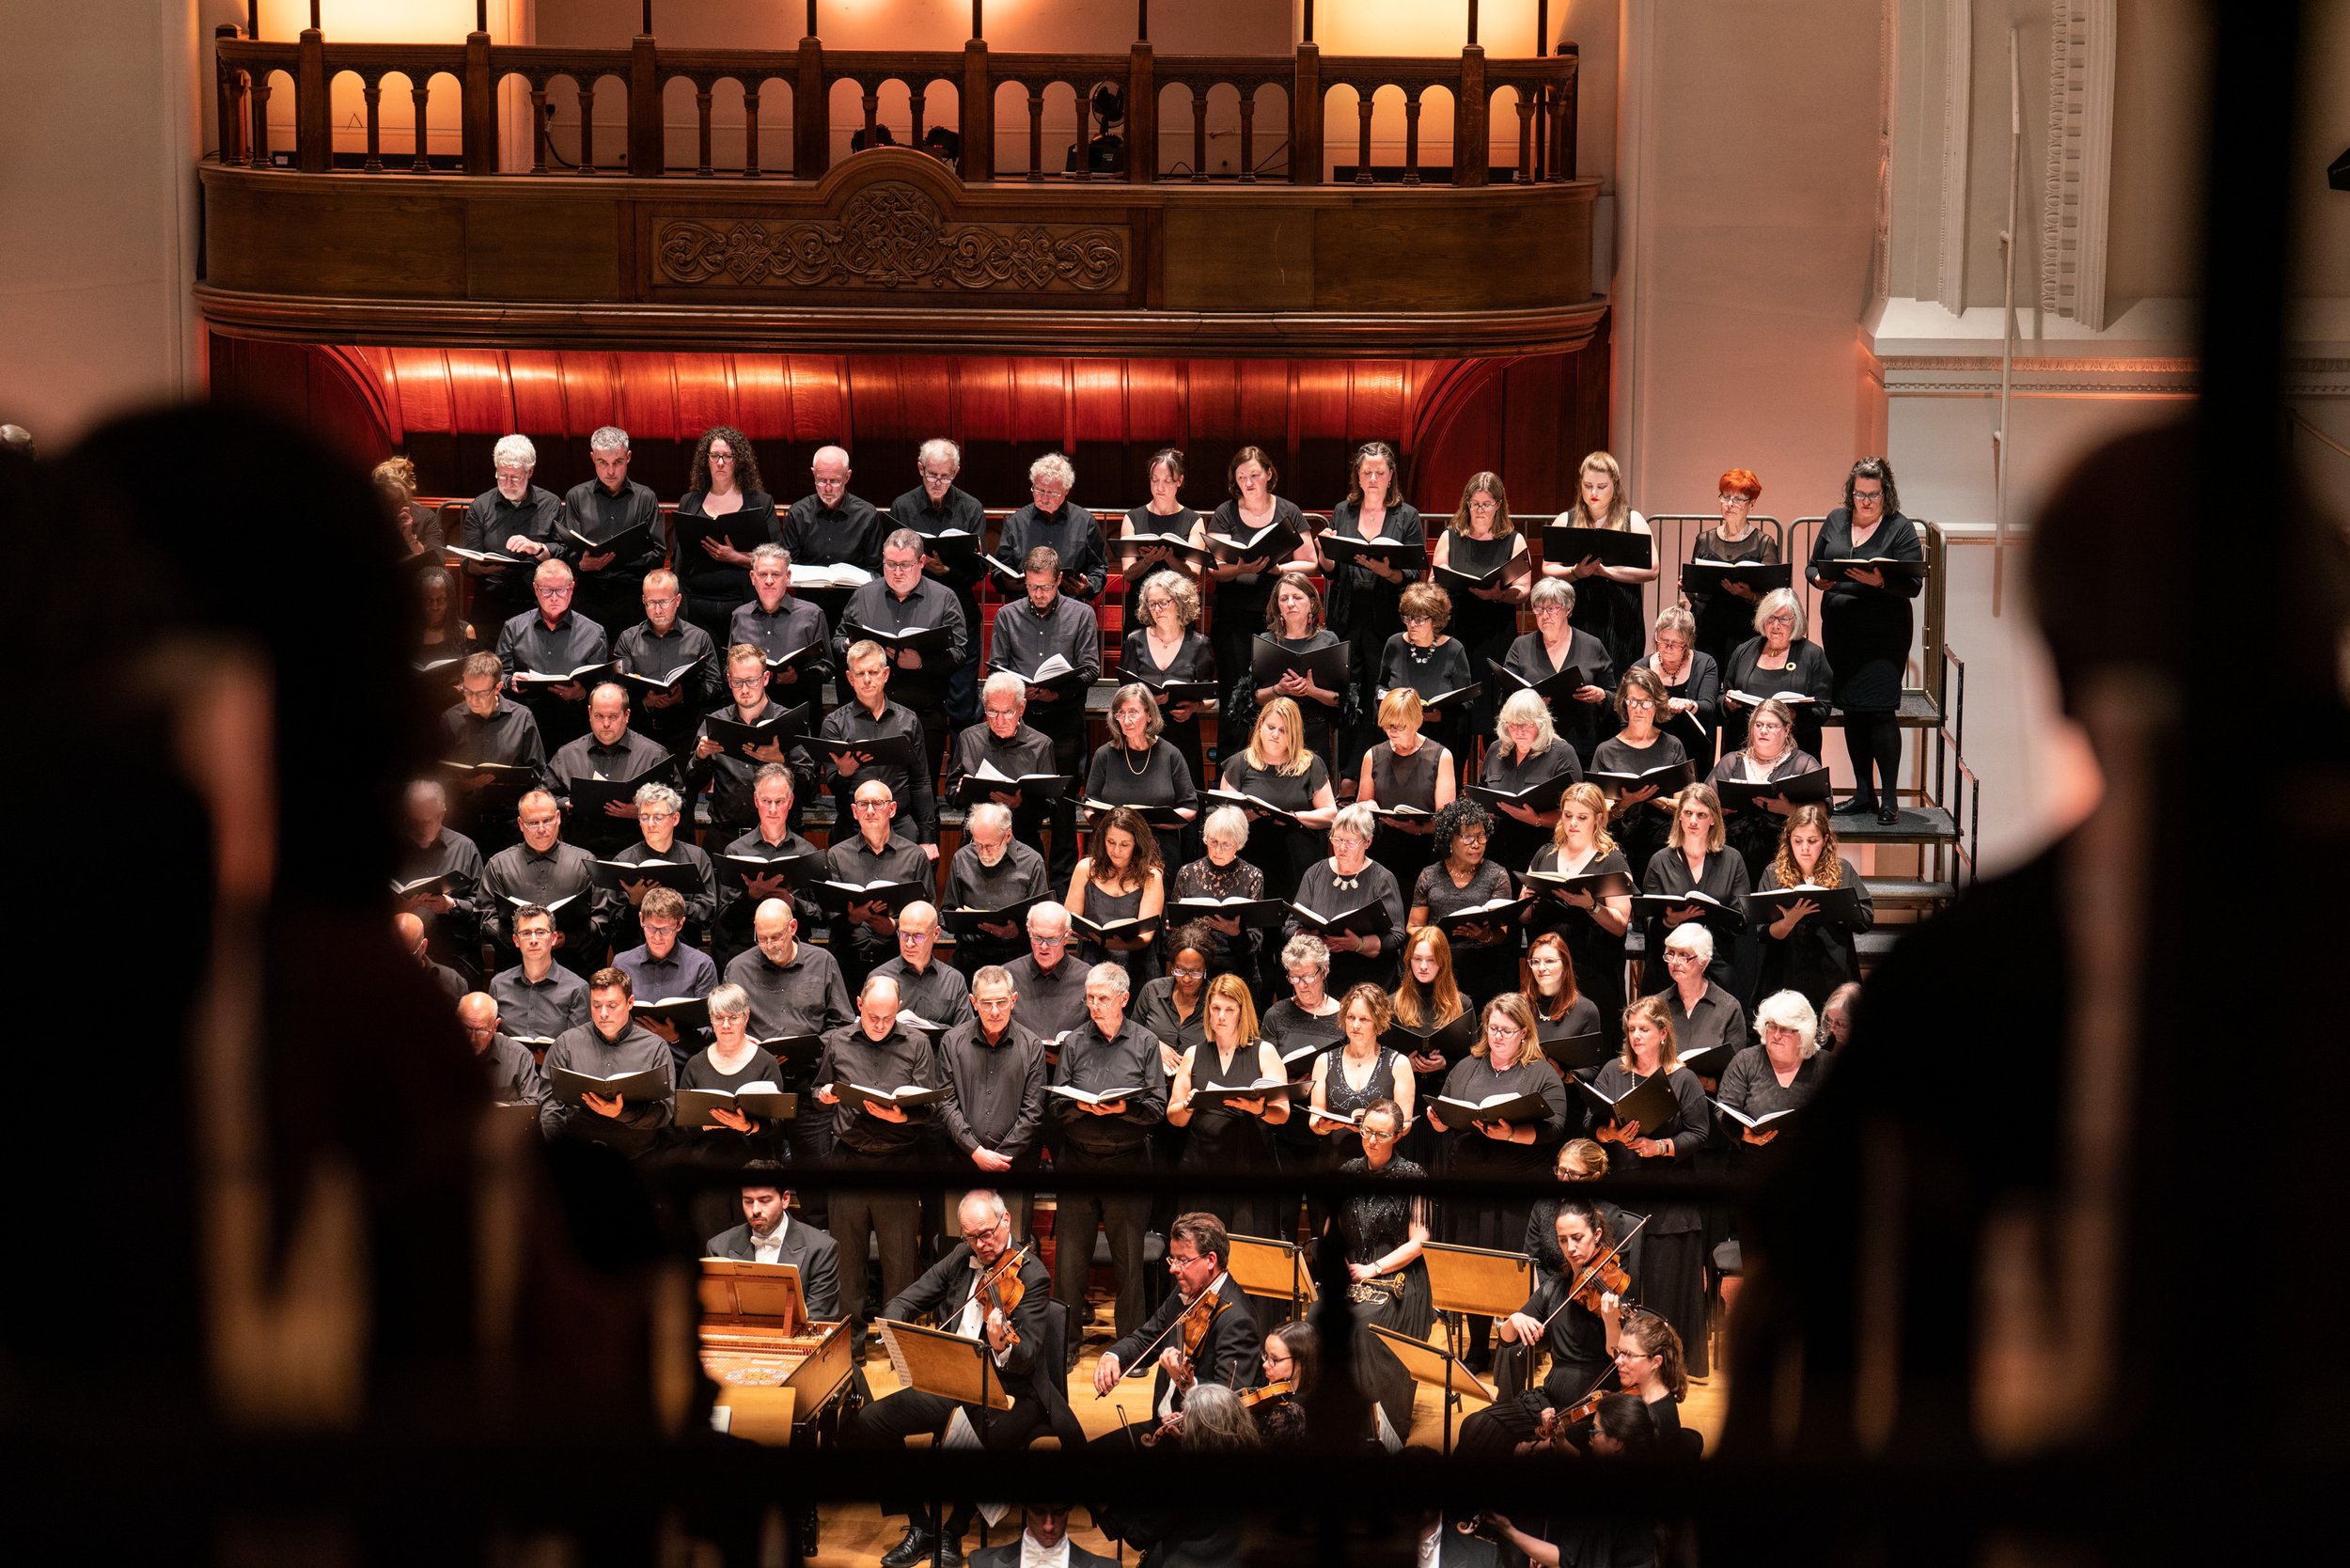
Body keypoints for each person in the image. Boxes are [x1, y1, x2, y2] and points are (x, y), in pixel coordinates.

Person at [852, 1195, 1075, 1568]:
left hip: (1012, 1389)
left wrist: (1002, 1344)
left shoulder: (1033, 1274)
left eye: (986, 1234)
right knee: (870, 1422)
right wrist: (896, 1332)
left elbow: (1029, 1355)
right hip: (953, 1379)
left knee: (978, 1438)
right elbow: (905, 1300)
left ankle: (954, 1529)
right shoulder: (960, 1257)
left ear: (1006, 1220)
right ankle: (921, 1527)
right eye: (971, 1237)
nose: (981, 1245)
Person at [1429, 993, 1569, 1371]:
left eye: (1507, 1031)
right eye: (1492, 1029)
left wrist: (1510, 1134)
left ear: (1525, 1032)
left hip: (1518, 1191)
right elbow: (1446, 1108)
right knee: (1475, 1269)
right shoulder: (1468, 1067)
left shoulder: (1539, 1072)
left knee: (1512, 1270)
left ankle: (1519, 1345)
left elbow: (1556, 1126)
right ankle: (1477, 1346)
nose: (1498, 1037)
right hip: (1472, 1187)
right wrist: (1440, 1121)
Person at [812, 975, 940, 1346]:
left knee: (900, 1260)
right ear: (858, 1005)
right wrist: (823, 1095)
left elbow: (929, 1105)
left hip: (898, 1161)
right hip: (849, 1159)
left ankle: (900, 1341)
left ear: (898, 1009)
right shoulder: (838, 1040)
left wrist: (902, 1116)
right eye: (872, 1017)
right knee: (848, 1261)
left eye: (887, 1018)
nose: (880, 1025)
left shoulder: (917, 1043)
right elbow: (817, 1089)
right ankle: (850, 1345)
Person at [1590, 995, 1714, 1375]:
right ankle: (1620, 1362)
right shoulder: (1614, 1070)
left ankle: (1665, 1364)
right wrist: (1608, 1133)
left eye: (1644, 1030)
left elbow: (1700, 1133)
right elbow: (1590, 1124)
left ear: (1663, 1033)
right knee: (1623, 1284)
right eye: (1631, 1030)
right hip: (1622, 1193)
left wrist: (1659, 1145)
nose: (1636, 1036)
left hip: (1669, 1195)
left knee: (1664, 1283)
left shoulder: (1683, 1077)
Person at [1051, 964, 1168, 1343]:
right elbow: (1056, 1105)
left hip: (1128, 1161)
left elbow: (1156, 1108)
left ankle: (1130, 1344)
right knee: (1069, 1261)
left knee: (1130, 1261)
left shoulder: (1146, 1043)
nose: (1094, 1005)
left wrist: (1122, 1110)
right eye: (1089, 998)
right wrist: (1082, 1108)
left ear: (1123, 999)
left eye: (1102, 998)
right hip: (1078, 1160)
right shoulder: (1073, 1042)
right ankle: (1066, 1341)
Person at [1456, 1199, 1626, 1456]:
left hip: (1593, 1405)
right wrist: (1514, 1320)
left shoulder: (1616, 1289)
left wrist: (1611, 1320)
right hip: (1550, 1396)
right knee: (1475, 1425)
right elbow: (1506, 1339)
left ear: (1597, 1235)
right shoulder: (1555, 1287)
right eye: (1562, 1240)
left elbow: (1619, 1356)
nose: (1570, 1248)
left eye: (1578, 1238)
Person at [1810, 456, 1927, 825]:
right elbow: (1814, 563)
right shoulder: (1835, 520)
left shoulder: (1900, 529)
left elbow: (1913, 584)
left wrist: (1879, 582)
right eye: (1860, 493)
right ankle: (1863, 793)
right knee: (1853, 714)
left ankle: (1889, 798)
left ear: (1885, 494)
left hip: (1882, 638)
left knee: (1878, 712)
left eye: (1873, 495)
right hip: (1841, 635)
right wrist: (1817, 580)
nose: (1866, 501)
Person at [722, 899, 854, 1184]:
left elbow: (842, 1024)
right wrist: (747, 1046)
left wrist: (813, 1048)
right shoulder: (738, 968)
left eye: (776, 937)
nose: (768, 945)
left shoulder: (823, 962)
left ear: (793, 927)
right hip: (759, 1092)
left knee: (815, 1188)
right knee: (760, 1183)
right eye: (762, 938)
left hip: (809, 1088)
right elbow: (726, 1023)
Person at [1089, 1212, 1261, 1427]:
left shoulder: (1238, 1321)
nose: (1173, 1269)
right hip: (1161, 1425)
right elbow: (1147, 1337)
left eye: (1183, 1260)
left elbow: (1229, 1406)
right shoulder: (1187, 1291)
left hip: (1196, 1435)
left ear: (1210, 1260)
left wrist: (1188, 1384)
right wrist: (1113, 1356)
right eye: (1173, 1259)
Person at [991, 547, 1103, 879]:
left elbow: (1091, 669)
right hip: (1020, 726)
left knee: (1065, 811)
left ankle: (1064, 884)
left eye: (1046, 587)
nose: (1038, 594)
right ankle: (1027, 877)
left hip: (1064, 720)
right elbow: (997, 666)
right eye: (1032, 587)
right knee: (1022, 807)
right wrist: (1018, 690)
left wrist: (1056, 691)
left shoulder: (1081, 615)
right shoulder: (1007, 616)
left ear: (1058, 581)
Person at [1320, 440, 1426, 782]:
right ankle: (1347, 774)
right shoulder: (1343, 510)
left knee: (1378, 694)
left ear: (1391, 475)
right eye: (1367, 472)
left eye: (1380, 472)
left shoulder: (1406, 515)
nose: (1373, 478)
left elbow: (1414, 571)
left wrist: (1388, 573)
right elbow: (1332, 569)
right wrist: (1326, 550)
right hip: (1347, 612)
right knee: (1348, 694)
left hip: (1386, 616)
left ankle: (1373, 773)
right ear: (1358, 475)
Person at [834, 527, 969, 779]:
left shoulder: (944, 598)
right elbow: (838, 639)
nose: (897, 572)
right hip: (870, 716)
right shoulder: (864, 595)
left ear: (921, 562)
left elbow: (959, 652)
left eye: (905, 565)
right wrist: (848, 647)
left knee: (922, 791)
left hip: (923, 714)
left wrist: (921, 663)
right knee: (869, 789)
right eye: (890, 564)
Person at [1167, 974, 1289, 1237]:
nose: (1221, 1016)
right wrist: (1188, 1106)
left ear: (1242, 1012)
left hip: (1251, 1162)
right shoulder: (1193, 1054)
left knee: (1252, 1246)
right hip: (1202, 1164)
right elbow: (1174, 1117)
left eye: (1229, 1010)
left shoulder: (1264, 1051)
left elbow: (1283, 1113)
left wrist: (1259, 1109)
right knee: (1201, 1244)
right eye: (1215, 1008)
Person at [934, 967, 1050, 1241]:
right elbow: (945, 1102)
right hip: (962, 1163)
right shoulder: (952, 1042)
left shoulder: (1032, 1045)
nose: (995, 1010)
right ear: (974, 1003)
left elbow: (1033, 1112)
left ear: (1014, 1000)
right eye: (986, 1003)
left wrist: (999, 1158)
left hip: (1014, 1167)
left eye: (1001, 1002)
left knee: (1012, 1252)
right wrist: (976, 1152)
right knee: (960, 1247)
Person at [1527, 783, 1637, 1046]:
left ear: (1598, 818)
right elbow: (1526, 917)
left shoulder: (1612, 860)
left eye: (1581, 817)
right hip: (1550, 973)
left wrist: (1591, 906)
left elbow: (1621, 924)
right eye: (1567, 815)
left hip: (1594, 971)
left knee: (1591, 1048)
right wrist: (1524, 904)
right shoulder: (1545, 854)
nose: (1572, 823)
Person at [890, 437, 989, 731]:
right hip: (914, 615)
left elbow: (979, 570)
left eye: (945, 476)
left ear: (955, 473)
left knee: (962, 703)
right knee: (915, 701)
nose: (938, 481)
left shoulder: (971, 508)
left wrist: (944, 570)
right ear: (920, 469)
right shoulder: (903, 506)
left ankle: (961, 772)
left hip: (959, 610)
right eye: (932, 474)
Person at [1207, 445, 1315, 700]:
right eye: (1241, 477)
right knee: (1233, 685)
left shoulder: (1288, 511)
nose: (1248, 482)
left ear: (1268, 474)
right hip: (1233, 613)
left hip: (1276, 612)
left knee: (1273, 683)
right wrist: (1241, 568)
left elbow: (1310, 562)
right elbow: (1215, 569)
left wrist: (1279, 569)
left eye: (1254, 475)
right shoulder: (1226, 512)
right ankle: (1232, 742)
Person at [1543, 450, 1658, 683]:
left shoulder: (1632, 519)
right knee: (1581, 678)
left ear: (1614, 486)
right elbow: (1547, 568)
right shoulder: (1567, 519)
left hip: (1621, 614)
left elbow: (1653, 569)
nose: (1593, 492)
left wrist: (1609, 573)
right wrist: (1575, 573)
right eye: (1588, 485)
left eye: (1601, 486)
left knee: (1619, 678)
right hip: (1581, 611)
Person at [822, 639, 942, 864]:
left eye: (873, 672)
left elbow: (921, 781)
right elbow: (834, 787)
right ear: (850, 678)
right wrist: (844, 774)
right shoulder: (834, 724)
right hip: (853, 828)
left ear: (885, 674)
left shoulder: (908, 720)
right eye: (859, 674)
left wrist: (927, 837)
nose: (867, 680)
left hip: (901, 827)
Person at [538, 966, 676, 1159]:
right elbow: (549, 1104)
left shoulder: (655, 1047)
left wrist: (621, 1112)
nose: (603, 1013)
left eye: (612, 1005)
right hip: (579, 1156)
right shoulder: (566, 1043)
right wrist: (559, 1151)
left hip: (637, 1159)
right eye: (596, 1005)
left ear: (630, 1003)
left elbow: (665, 1111)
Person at [671, 983, 789, 1208]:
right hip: (708, 1169)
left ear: (746, 1017)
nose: (725, 1025)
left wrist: (746, 1125)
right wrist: (708, 1125)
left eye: (733, 1017)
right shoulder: (695, 1064)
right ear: (710, 1019)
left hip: (755, 1167)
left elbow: (777, 1123)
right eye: (718, 1018)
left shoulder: (766, 1063)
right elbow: (680, 1122)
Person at [1434, 470, 1532, 737]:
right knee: (1458, 716)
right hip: (1458, 628)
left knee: (1494, 713)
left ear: (1499, 504)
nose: (1480, 510)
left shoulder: (1513, 540)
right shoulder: (1451, 537)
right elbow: (1434, 580)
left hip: (1496, 631)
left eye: (1486, 504)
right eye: (1475, 503)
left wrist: (1499, 595)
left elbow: (1524, 589)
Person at [1216, 695, 1338, 902]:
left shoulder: (1311, 764)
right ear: (1260, 725)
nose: (1275, 735)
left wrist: (1293, 816)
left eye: (1284, 730)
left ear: (1295, 734)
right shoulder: (1239, 763)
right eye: (1271, 727)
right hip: (1251, 854)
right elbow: (1223, 819)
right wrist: (1245, 816)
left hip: (1297, 859)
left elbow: (1330, 814)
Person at [692, 643, 816, 847]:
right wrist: (700, 757)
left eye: (751, 681)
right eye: (738, 682)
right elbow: (693, 782)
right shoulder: (714, 723)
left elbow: (808, 789)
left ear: (766, 678)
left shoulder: (789, 722)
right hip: (725, 837)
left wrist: (781, 762)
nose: (745, 689)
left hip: (779, 840)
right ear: (729, 681)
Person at [1332, 1096, 1434, 1340]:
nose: (1371, 1140)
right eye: (1366, 1131)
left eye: (1381, 1135)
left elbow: (1419, 1242)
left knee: (1359, 1325)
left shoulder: (1414, 1176)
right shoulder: (1347, 1172)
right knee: (1316, 1317)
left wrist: (1373, 1269)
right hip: (1353, 1273)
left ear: (1397, 1136)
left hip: (1398, 1276)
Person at [1757, 804, 1875, 1007]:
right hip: (1787, 970)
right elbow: (1763, 933)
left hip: (1833, 970)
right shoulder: (1773, 873)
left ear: (1825, 840)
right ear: (1789, 840)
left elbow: (1865, 919)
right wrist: (1788, 922)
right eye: (1798, 841)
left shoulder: (1842, 869)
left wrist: (1838, 909)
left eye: (1812, 841)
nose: (1805, 848)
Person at [1639, 783, 1750, 999]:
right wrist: (1670, 921)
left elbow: (1742, 919)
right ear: (1679, 816)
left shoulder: (1732, 859)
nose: (1693, 821)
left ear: (1713, 819)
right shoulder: (1660, 861)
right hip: (1670, 963)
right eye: (1688, 813)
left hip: (1715, 960)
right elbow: (1648, 922)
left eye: (1701, 815)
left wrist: (1713, 915)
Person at [947, 671, 1067, 869]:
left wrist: (1020, 803)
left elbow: (1051, 805)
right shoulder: (969, 739)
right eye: (992, 712)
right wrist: (961, 790)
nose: (999, 721)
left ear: (1021, 708)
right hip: (976, 846)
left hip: (1023, 846)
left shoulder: (1041, 745)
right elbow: (951, 793)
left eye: (1008, 712)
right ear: (985, 707)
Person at [823, 777, 932, 993]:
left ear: (891, 809)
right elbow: (826, 914)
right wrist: (853, 918)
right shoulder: (836, 855)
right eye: (863, 804)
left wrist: (894, 927)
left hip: (898, 964)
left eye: (877, 803)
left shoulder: (915, 856)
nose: (870, 811)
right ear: (855, 811)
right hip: (847, 965)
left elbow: (930, 912)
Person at [674, 425, 780, 643]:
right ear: (707, 459)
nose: (720, 463)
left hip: (743, 605)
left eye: (728, 456)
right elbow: (680, 559)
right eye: (715, 456)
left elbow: (776, 558)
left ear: (738, 460)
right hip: (697, 606)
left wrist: (736, 558)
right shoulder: (690, 501)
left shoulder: (759, 501)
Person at [479, 789, 603, 973]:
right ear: (521, 824)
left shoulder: (585, 862)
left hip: (572, 969)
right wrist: (522, 939)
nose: (542, 829)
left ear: (558, 817)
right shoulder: (499, 865)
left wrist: (568, 938)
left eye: (547, 820)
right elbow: (486, 919)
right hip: (514, 970)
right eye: (533, 823)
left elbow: (601, 919)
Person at [1284, 804, 1403, 995]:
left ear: (1367, 842)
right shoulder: (1315, 873)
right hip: (1323, 976)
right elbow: (1290, 925)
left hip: (1370, 979)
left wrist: (1359, 944)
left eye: (1350, 842)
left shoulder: (1382, 879)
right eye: (1337, 839)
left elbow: (1396, 936)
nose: (1341, 847)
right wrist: (1309, 936)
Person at [1411, 799, 1519, 1007]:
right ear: (1450, 838)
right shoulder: (1430, 875)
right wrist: (1434, 939)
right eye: (1468, 837)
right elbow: (1414, 926)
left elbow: (1501, 934)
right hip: (1437, 967)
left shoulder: (1497, 875)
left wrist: (1484, 935)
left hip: (1481, 970)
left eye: (1481, 836)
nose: (1476, 844)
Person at [1080, 682, 1199, 871]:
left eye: (1133, 712)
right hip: (1113, 852)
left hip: (1159, 853)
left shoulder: (1170, 754)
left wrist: (1151, 822)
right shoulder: (1104, 755)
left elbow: (1190, 808)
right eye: (1121, 713)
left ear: (1150, 714)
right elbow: (1089, 806)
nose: (1126, 720)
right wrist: (1111, 825)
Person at [1706, 696, 1825, 884]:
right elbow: (1703, 803)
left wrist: (1790, 810)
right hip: (1732, 857)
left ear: (1786, 729)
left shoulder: (1803, 764)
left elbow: (1823, 811)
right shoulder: (1731, 761)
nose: (1763, 731)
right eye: (1758, 724)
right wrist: (1717, 811)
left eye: (1771, 726)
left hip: (1782, 859)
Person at [713, 763, 823, 966]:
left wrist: (792, 902)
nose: (773, 809)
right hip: (749, 952)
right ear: (756, 800)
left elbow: (819, 915)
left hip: (795, 955)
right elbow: (724, 919)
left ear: (790, 802)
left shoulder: (807, 852)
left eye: (779, 801)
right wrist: (751, 897)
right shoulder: (736, 851)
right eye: (766, 801)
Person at [547, 682, 676, 855]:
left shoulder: (654, 755)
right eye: (599, 716)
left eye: (613, 716)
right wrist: (567, 804)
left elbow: (679, 801)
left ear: (627, 715)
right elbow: (543, 796)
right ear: (589, 713)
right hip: (580, 855)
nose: (606, 723)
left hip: (638, 856)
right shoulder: (567, 754)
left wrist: (641, 811)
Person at [440, 651, 549, 853]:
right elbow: (437, 777)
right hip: (464, 822)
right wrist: (462, 785)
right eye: (467, 691)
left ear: (498, 688)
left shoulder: (522, 717)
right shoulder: (450, 719)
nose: (472, 699)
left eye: (481, 693)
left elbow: (539, 773)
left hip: (510, 824)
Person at [1590, 666, 1691, 883]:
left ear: (1656, 704)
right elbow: (1598, 814)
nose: (1638, 709)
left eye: (1646, 702)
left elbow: (1687, 806)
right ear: (1624, 702)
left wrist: (1656, 799)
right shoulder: (1606, 750)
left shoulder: (1672, 746)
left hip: (1665, 846)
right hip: (1619, 847)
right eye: (1632, 701)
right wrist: (1625, 803)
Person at [494, 557, 608, 748]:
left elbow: (603, 686)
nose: (554, 598)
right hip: (524, 723)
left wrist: (581, 694)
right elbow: (498, 675)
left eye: (561, 590)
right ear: (536, 589)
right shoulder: (513, 627)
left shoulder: (594, 632)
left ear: (571, 588)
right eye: (546, 590)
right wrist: (510, 681)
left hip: (574, 726)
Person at [1120, 571, 1216, 792]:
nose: (1157, 610)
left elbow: (1209, 695)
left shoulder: (1199, 644)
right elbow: (1124, 690)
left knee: (1183, 793)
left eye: (1163, 603)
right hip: (1142, 730)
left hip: (1182, 727)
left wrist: (1195, 707)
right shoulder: (1135, 640)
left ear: (1180, 601)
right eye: (1152, 604)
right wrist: (1146, 700)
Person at [704, 1168, 844, 1322]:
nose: (755, 1210)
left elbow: (817, 1321)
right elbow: (718, 1318)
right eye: (748, 1201)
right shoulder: (718, 1248)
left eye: (764, 1201)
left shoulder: (822, 1249)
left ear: (785, 1199)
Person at [1504, 576, 1615, 768]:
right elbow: (1505, 695)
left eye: (1552, 608)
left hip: (1581, 742)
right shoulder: (1520, 646)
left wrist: (1600, 696)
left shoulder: (1592, 645)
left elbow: (1614, 696)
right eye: (1538, 609)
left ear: (1568, 609)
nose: (1544, 615)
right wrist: (1530, 701)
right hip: (1533, 745)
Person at [562, 425, 665, 631]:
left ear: (628, 457)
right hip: (588, 594)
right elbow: (567, 551)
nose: (610, 471)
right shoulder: (576, 496)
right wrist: (582, 565)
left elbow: (659, 553)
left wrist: (617, 558)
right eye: (603, 463)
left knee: (629, 660)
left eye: (617, 462)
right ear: (592, 458)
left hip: (632, 596)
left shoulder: (645, 497)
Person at [595, 780, 715, 955]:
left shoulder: (697, 857)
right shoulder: (623, 860)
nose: (650, 824)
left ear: (675, 818)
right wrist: (633, 904)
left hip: (685, 952)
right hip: (635, 953)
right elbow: (614, 927)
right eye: (644, 817)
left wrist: (669, 905)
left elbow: (707, 913)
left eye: (658, 817)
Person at [612, 570, 723, 757]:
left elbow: (715, 686)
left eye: (663, 602)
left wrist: (684, 696)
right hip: (639, 732)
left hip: (685, 731)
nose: (657, 610)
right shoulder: (628, 638)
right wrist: (646, 701)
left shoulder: (699, 638)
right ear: (643, 601)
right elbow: (618, 688)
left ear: (678, 600)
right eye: (651, 603)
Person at [1358, 686, 1456, 892]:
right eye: (1387, 725)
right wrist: (1369, 805)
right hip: (1382, 851)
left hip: (1425, 853)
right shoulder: (1372, 755)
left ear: (1415, 721)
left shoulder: (1441, 756)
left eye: (1399, 726)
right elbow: (1360, 806)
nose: (1391, 732)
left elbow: (1447, 820)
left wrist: (1419, 828)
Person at [1684, 468, 1780, 675]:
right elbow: (1695, 594)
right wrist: (1689, 585)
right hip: (1709, 623)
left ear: (1751, 504)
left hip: (1745, 625)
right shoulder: (1704, 539)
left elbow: (1774, 597)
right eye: (1725, 497)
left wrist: (1748, 594)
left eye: (1738, 499)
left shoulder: (1764, 543)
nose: (1730, 504)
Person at [460, 432, 563, 626]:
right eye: (502, 476)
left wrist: (538, 548)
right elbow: (468, 561)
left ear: (530, 472)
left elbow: (563, 551)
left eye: (514, 477)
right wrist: (478, 567)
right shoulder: (481, 506)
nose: (507, 484)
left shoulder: (550, 503)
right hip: (492, 600)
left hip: (536, 601)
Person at [1720, 587, 1833, 761]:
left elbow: (1823, 707)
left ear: (1796, 620)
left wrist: (1795, 715)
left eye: (1784, 619)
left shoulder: (1812, 654)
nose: (1776, 625)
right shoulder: (1744, 651)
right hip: (1746, 750)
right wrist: (1728, 703)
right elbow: (1723, 695)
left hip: (1796, 753)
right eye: (1771, 618)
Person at [1308, 982, 1416, 1168]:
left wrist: (1377, 1130)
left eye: (1364, 1019)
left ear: (1378, 1022)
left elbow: (1405, 1125)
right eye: (1351, 1017)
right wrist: (1324, 1125)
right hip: (1333, 1160)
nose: (1355, 1025)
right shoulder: (1324, 1061)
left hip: (1380, 1163)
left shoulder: (1398, 1063)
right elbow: (1314, 1123)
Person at [779, 443, 884, 631]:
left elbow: (875, 569)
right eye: (821, 480)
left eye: (834, 481)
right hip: (807, 606)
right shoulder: (798, 512)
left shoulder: (867, 515)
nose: (827, 488)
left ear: (847, 476)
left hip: (854, 606)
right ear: (813, 474)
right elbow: (788, 565)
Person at [611, 886, 718, 1068]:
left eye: (666, 930)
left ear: (680, 924)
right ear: (640, 920)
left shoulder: (701, 965)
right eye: (651, 928)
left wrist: (675, 1036)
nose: (658, 937)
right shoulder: (622, 964)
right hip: (633, 1063)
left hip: (684, 1064)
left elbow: (711, 1028)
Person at [1479, 689, 1585, 872]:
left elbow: (1579, 812)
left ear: (1541, 723)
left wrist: (1537, 819)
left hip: (1545, 854)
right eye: (1512, 725)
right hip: (1497, 853)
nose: (1518, 732)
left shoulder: (1561, 753)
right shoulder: (1496, 750)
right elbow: (1482, 793)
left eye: (1526, 725)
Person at [1716, 989, 1830, 1153]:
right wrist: (1742, 1134)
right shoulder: (1746, 1061)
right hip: (1753, 1165)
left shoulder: (1825, 1065)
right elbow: (1723, 1109)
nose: (1776, 1035)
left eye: (1785, 1029)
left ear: (1803, 1033)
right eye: (1772, 1026)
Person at [1252, 572, 1347, 768]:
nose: (1290, 604)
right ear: (1277, 605)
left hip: (1314, 731)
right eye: (1284, 598)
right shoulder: (1266, 641)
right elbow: (1253, 698)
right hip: (1275, 733)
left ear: (1311, 603)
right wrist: (1279, 689)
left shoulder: (1328, 641)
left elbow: (1343, 700)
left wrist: (1313, 691)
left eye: (1297, 597)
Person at [1168, 806, 1267, 993]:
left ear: (1238, 844)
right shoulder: (1188, 873)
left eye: (1226, 844)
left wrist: (1235, 932)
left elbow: (1255, 941)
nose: (1217, 850)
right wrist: (1175, 928)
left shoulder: (1253, 876)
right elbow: (1174, 932)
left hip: (1237, 965)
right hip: (1196, 965)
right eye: (1213, 842)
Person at [946, 801, 1051, 974]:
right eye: (978, 844)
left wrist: (1015, 933)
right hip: (970, 954)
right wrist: (959, 919)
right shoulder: (962, 858)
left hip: (1015, 955)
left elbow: (1041, 922)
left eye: (990, 846)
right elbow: (947, 910)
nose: (984, 852)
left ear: (1007, 835)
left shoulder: (1032, 862)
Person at [1069, 808, 1167, 991]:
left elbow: (1145, 936)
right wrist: (1096, 937)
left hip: (1136, 966)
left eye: (1124, 844)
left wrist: (1113, 942)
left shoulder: (1151, 876)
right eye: (1111, 842)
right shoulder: (1085, 868)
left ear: (1137, 844)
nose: (1116, 851)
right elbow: (1070, 920)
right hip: (1093, 962)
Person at [732, 544, 837, 715]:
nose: (769, 580)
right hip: (751, 713)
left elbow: (827, 666)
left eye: (776, 574)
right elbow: (729, 666)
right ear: (753, 577)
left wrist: (798, 677)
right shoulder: (740, 616)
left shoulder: (812, 614)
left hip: (798, 709)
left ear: (787, 577)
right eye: (762, 574)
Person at [1378, 581, 1477, 761]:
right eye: (1407, 618)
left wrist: (1441, 716)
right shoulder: (1394, 644)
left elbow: (1467, 701)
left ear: (1436, 619)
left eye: (1419, 619)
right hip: (1399, 735)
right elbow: (1381, 684)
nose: (1412, 624)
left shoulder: (1454, 649)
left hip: (1441, 737)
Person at [994, 450, 1107, 603]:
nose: (1044, 498)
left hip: (1070, 607)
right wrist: (1006, 582)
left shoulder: (1085, 522)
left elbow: (1098, 567)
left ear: (1066, 491)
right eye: (1039, 490)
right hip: (1025, 606)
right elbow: (1000, 568)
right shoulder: (1016, 522)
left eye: (1052, 493)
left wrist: (1088, 587)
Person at [397, 778, 483, 976]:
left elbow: (483, 910)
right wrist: (399, 909)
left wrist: (451, 906)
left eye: (426, 822)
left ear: (441, 814)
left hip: (453, 959)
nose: (419, 830)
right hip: (401, 957)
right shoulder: (393, 850)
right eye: (413, 822)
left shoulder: (464, 848)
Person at [1117, 446, 1207, 621]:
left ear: (1179, 481)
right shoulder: (1132, 517)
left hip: (1178, 606)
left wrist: (1169, 558)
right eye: (1155, 480)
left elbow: (1194, 574)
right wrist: (1149, 560)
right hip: (1142, 605)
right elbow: (1128, 574)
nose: (1160, 487)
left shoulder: (1193, 520)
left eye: (1167, 481)